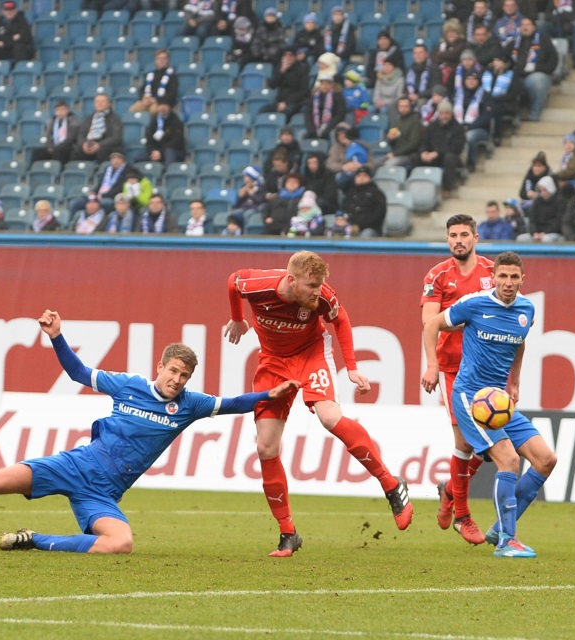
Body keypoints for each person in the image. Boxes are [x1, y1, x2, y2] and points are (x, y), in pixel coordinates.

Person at [0, 309, 299, 553]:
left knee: (121, 543)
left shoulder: (190, 405)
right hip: (75, 465)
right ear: (160, 366)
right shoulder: (127, 384)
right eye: (173, 371)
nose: (177, 380)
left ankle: (34, 541)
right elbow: (79, 372)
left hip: (103, 493)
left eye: (184, 375)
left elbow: (233, 404)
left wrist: (270, 394)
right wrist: (57, 336)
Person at [224, 251, 413, 556]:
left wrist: (351, 366)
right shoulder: (258, 285)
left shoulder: (323, 296)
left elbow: (342, 319)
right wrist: (237, 319)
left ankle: (391, 485)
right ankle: (288, 534)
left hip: (311, 355)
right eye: (311, 285)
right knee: (265, 447)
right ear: (291, 280)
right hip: (272, 362)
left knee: (329, 417)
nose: (317, 292)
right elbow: (233, 282)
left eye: (320, 285)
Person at [422, 251, 556, 558]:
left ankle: (499, 528)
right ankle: (508, 540)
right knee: (509, 460)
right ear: (493, 277)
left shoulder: (526, 309)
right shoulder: (474, 303)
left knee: (546, 460)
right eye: (502, 276)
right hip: (471, 398)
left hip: (499, 400)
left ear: (523, 280)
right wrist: (432, 366)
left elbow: (519, 342)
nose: (508, 283)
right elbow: (432, 326)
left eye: (514, 277)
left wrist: (516, 381)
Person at [420, 214, 498, 544]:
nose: (458, 240)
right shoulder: (437, 275)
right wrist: (432, 365)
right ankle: (463, 516)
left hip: (487, 368)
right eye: (453, 235)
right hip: (454, 369)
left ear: (476, 238)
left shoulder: (493, 273)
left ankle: (449, 489)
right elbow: (430, 321)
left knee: (486, 447)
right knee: (465, 442)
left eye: (464, 234)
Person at [71, 93, 124, 163]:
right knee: (76, 151)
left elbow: (116, 138)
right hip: (89, 144)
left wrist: (99, 145)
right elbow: (81, 135)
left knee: (103, 150)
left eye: (102, 102)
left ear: (109, 104)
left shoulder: (115, 119)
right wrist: (83, 144)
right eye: (97, 102)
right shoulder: (88, 118)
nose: (99, 104)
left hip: (104, 145)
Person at [31, 100, 80, 165]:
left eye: (62, 110)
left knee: (58, 151)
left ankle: (57, 171)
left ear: (67, 110)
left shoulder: (73, 121)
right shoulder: (53, 121)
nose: (60, 112)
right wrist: (50, 147)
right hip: (53, 147)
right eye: (58, 110)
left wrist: (56, 147)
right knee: (37, 152)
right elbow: (48, 136)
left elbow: (70, 139)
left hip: (68, 147)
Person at [143, 100, 186, 166]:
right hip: (156, 151)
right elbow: (149, 138)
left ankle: (167, 174)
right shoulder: (154, 120)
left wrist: (160, 152)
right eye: (160, 105)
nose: (162, 107)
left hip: (173, 151)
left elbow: (176, 141)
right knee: (139, 157)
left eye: (164, 105)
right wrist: (153, 151)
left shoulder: (175, 121)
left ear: (169, 107)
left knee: (169, 153)